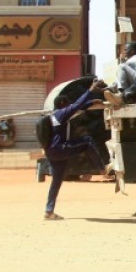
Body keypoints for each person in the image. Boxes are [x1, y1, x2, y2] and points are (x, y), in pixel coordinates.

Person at [43, 79, 110, 220]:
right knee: (87, 142)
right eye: (67, 104)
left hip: (52, 152)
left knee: (56, 182)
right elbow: (77, 105)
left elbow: (77, 108)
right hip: (60, 149)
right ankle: (102, 169)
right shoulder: (62, 114)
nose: (69, 106)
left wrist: (92, 103)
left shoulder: (55, 115)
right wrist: (91, 90)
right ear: (62, 104)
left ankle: (49, 211)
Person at [105, 42, 136, 106]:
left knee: (121, 66)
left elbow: (120, 78)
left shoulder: (132, 59)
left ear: (132, 51)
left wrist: (110, 87)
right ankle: (129, 96)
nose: (124, 52)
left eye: (125, 50)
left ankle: (122, 95)